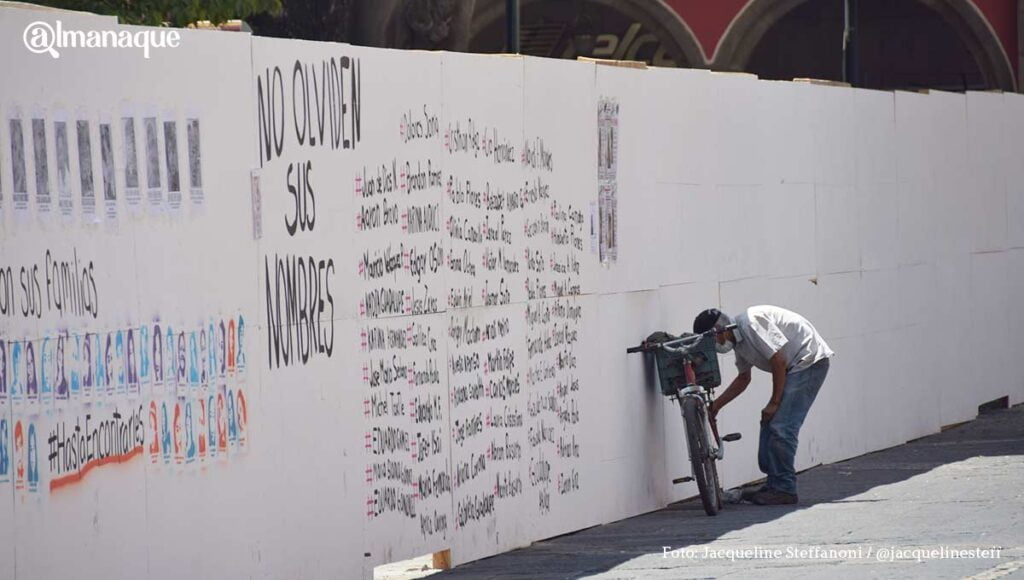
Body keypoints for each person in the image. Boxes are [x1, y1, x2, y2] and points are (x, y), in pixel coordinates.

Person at [693, 305, 833, 506]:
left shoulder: (751, 323)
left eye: (712, 341)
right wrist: (716, 406)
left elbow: (778, 360)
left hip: (808, 361)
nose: (715, 347)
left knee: (782, 427)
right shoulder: (738, 343)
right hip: (795, 366)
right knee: (769, 421)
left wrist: (774, 402)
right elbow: (743, 379)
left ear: (718, 331)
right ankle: (774, 483)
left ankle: (784, 489)